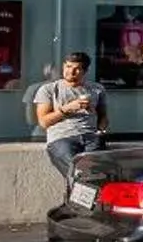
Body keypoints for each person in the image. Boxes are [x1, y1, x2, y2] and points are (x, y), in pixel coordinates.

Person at [34, 52, 108, 183]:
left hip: (91, 136)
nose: (71, 71)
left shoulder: (97, 89)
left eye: (77, 68)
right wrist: (67, 108)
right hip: (62, 137)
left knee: (97, 175)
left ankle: (86, 200)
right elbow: (44, 122)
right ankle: (78, 200)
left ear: (85, 71)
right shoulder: (49, 89)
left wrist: (101, 129)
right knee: (77, 173)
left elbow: (103, 117)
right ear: (63, 66)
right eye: (68, 66)